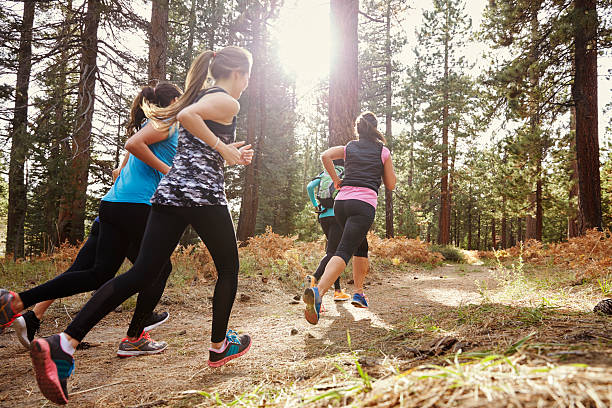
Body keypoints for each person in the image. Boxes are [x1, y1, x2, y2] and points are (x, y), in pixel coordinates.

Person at [17, 46, 254, 405]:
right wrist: (223, 148)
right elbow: (188, 117)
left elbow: (191, 134)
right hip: (202, 196)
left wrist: (225, 151)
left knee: (142, 272)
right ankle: (219, 346)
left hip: (170, 194)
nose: (247, 85)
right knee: (229, 268)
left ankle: (64, 342)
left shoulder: (204, 96)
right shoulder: (226, 101)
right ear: (238, 73)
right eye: (248, 76)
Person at [1, 82, 183, 358]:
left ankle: (18, 301)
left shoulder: (153, 124)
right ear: (174, 100)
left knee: (99, 273)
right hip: (136, 206)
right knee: (158, 269)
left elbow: (122, 165)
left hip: (114, 204)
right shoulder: (166, 122)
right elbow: (132, 145)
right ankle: (135, 336)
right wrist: (168, 172)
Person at [303, 112, 396, 325]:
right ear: (375, 128)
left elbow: (325, 155)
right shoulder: (382, 151)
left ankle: (359, 293)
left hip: (341, 204)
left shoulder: (349, 148)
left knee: (359, 246)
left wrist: (337, 181)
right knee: (343, 251)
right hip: (363, 204)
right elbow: (391, 184)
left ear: (358, 129)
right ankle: (319, 291)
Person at [305, 163, 351, 301]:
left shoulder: (324, 173)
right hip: (338, 216)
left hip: (323, 216)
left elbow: (309, 187)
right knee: (334, 253)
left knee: (333, 253)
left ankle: (337, 291)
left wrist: (315, 205)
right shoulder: (345, 172)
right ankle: (314, 277)